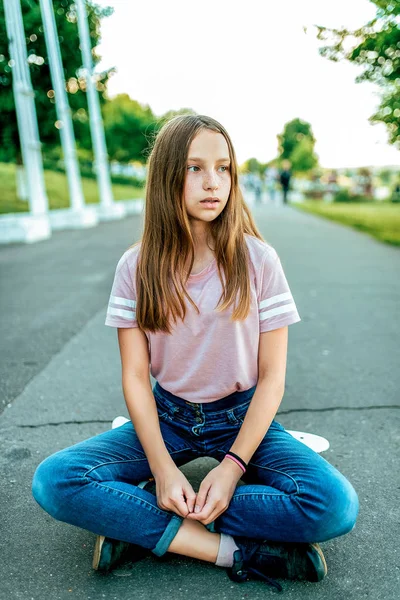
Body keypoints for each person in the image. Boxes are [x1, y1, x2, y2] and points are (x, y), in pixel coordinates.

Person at [32, 115, 358, 591]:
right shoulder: (136, 267)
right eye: (195, 168)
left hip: (243, 418)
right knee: (56, 481)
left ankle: (138, 523)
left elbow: (272, 379)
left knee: (334, 506)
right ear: (167, 176)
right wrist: (163, 470)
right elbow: (134, 377)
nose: (213, 182)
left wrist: (231, 470)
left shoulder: (259, 261)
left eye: (224, 168)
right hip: (169, 417)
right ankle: (228, 549)